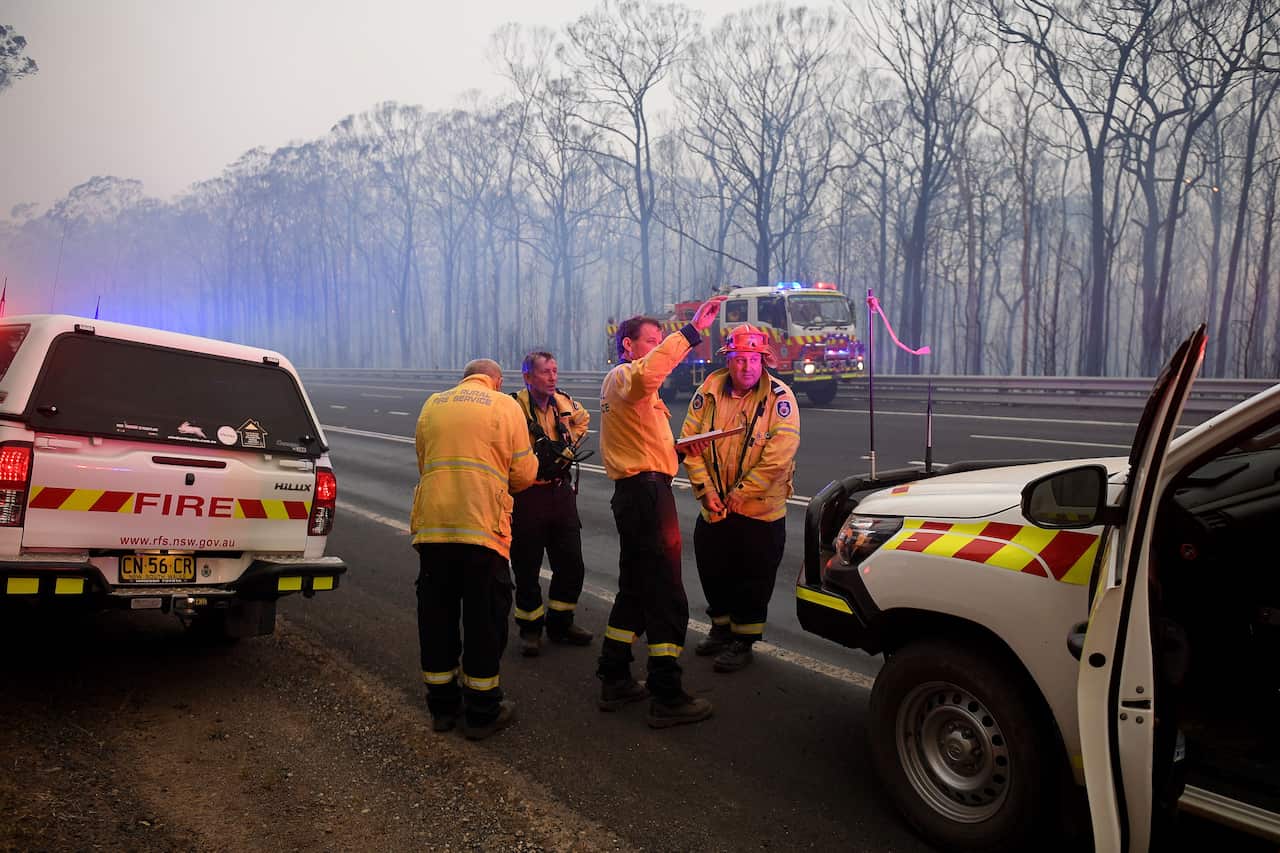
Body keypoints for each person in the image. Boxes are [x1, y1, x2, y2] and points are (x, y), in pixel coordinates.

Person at [596, 294, 725, 728]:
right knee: (668, 590)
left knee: (635, 587)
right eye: (651, 340)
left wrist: (681, 449)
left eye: (660, 339)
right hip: (645, 495)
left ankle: (613, 675)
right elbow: (649, 374)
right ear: (627, 345)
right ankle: (666, 693)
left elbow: (647, 449)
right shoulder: (626, 377)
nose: (657, 345)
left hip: (643, 490)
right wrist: (690, 333)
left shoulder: (633, 386)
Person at [410, 358, 537, 740]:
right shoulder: (505, 406)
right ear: (495, 382)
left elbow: (424, 461)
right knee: (485, 620)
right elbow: (523, 473)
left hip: (433, 529)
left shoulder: (433, 403)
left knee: (436, 619)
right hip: (481, 530)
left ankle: (442, 708)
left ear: (464, 378)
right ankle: (482, 710)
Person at [680, 324, 800, 672]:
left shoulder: (780, 398)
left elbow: (779, 457)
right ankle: (720, 629)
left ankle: (743, 641)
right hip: (715, 508)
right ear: (728, 361)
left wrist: (740, 495)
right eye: (739, 359)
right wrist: (706, 491)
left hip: (759, 512)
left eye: (753, 359)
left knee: (753, 577)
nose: (746, 366)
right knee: (713, 570)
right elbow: (690, 444)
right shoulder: (708, 391)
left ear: (764, 361)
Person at [509, 350, 594, 656]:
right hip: (527, 495)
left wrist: (567, 445)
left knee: (571, 563)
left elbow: (583, 421)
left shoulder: (565, 403)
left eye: (555, 370)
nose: (552, 377)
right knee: (527, 566)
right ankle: (530, 630)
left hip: (559, 493)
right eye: (545, 372)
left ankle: (561, 623)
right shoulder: (512, 407)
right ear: (528, 377)